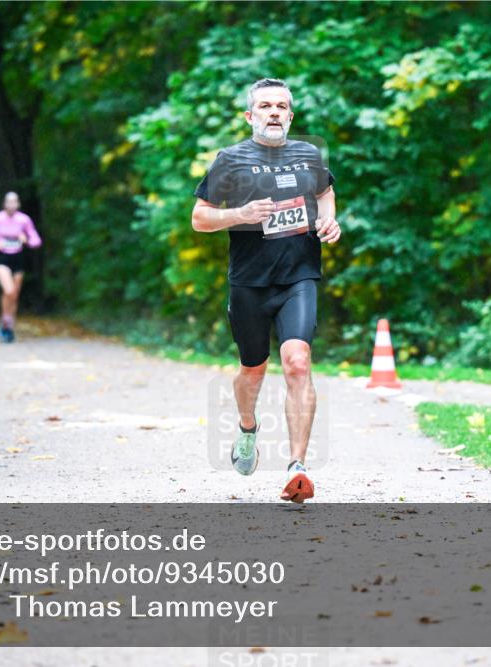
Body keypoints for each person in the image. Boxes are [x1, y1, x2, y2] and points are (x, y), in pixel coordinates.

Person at [191, 78, 341, 503]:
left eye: (280, 106)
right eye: (265, 106)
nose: (273, 112)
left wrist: (329, 221)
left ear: (290, 115)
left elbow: (325, 193)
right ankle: (247, 427)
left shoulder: (308, 155)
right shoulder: (231, 160)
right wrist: (240, 213)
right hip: (250, 281)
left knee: (297, 361)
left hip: (299, 275)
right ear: (250, 115)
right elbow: (200, 218)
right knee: (252, 369)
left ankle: (298, 467)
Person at [0, 191, 42, 343]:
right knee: (8, 290)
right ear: (4, 203)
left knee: (14, 295)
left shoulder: (24, 220)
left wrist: (27, 239)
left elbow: (36, 240)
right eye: (9, 201)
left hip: (18, 257)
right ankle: (5, 323)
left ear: (18, 204)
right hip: (1, 257)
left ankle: (8, 326)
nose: (11, 205)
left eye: (14, 201)